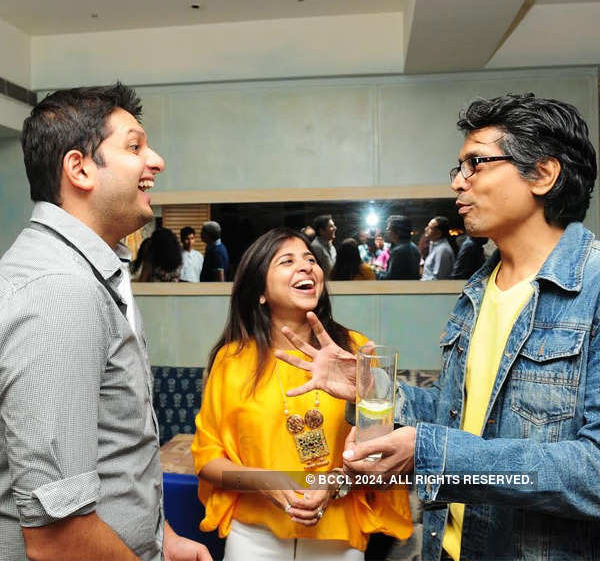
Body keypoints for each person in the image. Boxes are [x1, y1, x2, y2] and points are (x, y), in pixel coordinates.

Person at [275, 93, 600, 560]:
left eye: (477, 164)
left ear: (543, 174)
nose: (459, 185)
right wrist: (372, 387)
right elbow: (460, 414)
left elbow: (592, 472)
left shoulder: (592, 289)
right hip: (448, 546)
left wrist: (432, 452)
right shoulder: (478, 290)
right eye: (458, 168)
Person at [0, 84, 211, 561]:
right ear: (79, 168)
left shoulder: (89, 271)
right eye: (134, 146)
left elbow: (115, 452)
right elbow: (57, 535)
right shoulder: (58, 288)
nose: (155, 160)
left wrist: (163, 539)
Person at [191, 228, 411, 560]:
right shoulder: (231, 360)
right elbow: (207, 459)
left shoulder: (353, 351)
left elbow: (379, 453)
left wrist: (334, 484)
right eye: (287, 261)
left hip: (339, 538)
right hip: (253, 538)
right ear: (260, 291)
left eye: (311, 259)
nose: (306, 267)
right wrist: (262, 480)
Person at [380, 215, 420, 280]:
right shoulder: (414, 247)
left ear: (398, 232)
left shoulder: (398, 251)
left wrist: (376, 272)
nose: (387, 230)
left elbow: (391, 278)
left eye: (389, 228)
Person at [421, 216, 456, 280]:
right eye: (427, 226)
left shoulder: (442, 250)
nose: (426, 229)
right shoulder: (434, 245)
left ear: (438, 233)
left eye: (430, 228)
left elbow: (439, 279)